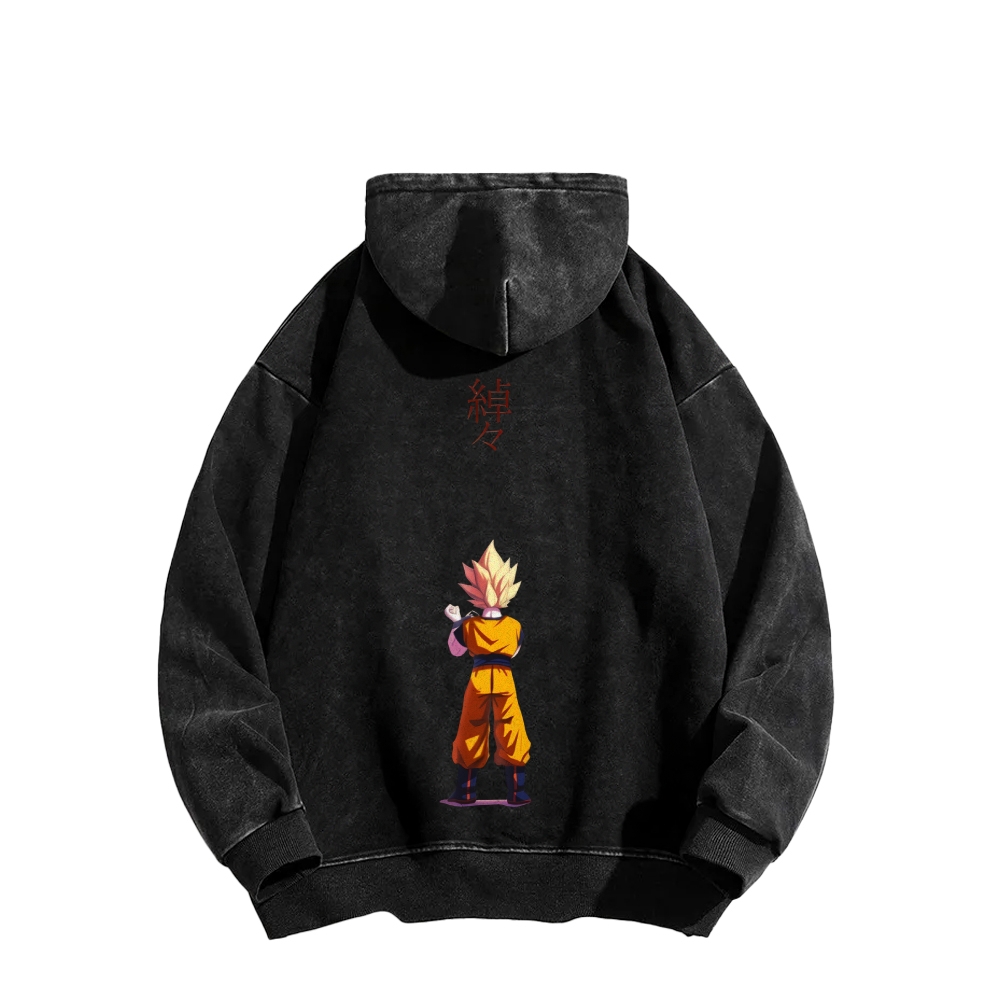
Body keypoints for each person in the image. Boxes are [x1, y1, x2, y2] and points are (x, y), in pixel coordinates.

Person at [443, 540, 531, 807]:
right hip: (504, 677)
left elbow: (456, 650)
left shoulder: (469, 625)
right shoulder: (514, 625)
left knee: (471, 727)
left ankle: (465, 791)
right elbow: (515, 651)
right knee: (512, 727)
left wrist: (457, 622)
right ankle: (517, 791)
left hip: (480, 677)